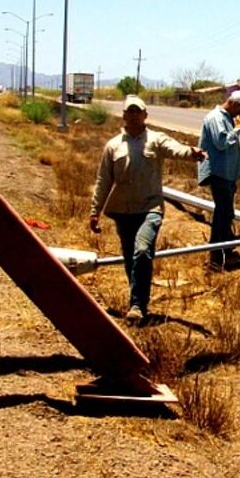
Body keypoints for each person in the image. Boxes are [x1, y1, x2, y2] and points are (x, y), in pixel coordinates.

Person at [90, 95, 206, 324]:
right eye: (129, 112)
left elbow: (176, 149)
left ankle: (137, 306)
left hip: (150, 207)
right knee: (130, 259)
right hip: (123, 210)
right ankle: (138, 300)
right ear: (124, 116)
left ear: (145, 115)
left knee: (142, 251)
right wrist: (95, 211)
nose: (133, 116)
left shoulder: (156, 140)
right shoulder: (113, 146)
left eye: (138, 111)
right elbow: (103, 181)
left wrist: (192, 153)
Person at [197, 89, 240, 271]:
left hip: (227, 173)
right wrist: (236, 130)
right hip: (218, 172)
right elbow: (221, 143)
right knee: (223, 213)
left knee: (227, 213)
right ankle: (217, 256)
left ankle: (225, 251)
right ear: (234, 104)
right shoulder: (216, 118)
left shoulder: (226, 117)